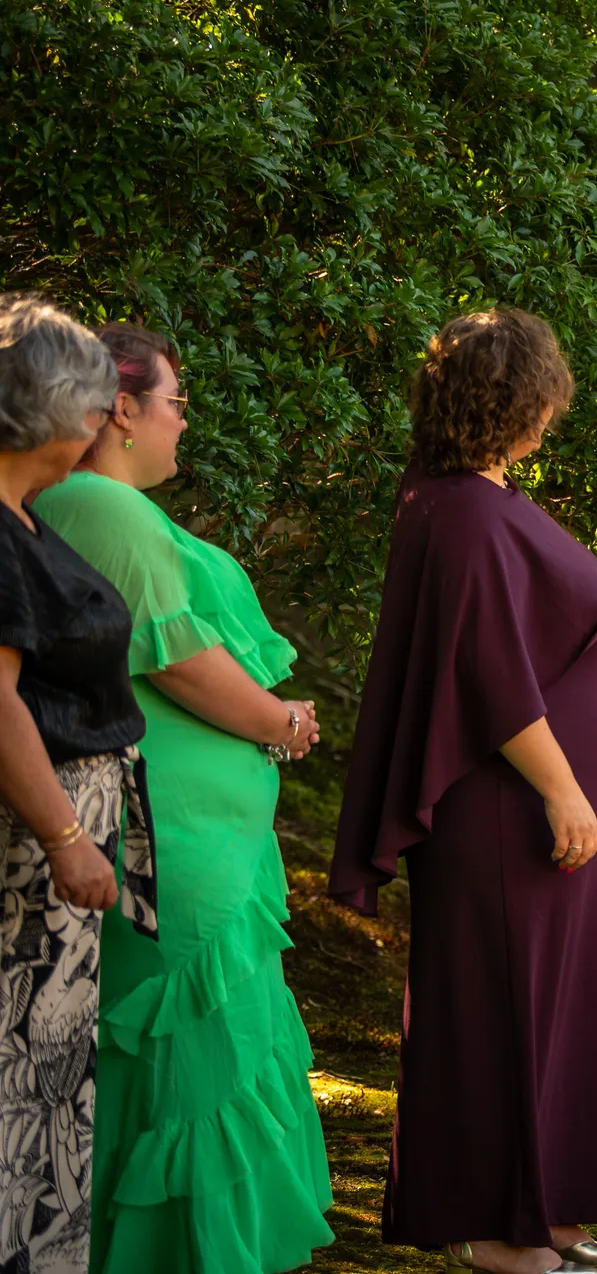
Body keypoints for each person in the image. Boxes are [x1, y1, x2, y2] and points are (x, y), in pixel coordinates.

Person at [330, 310, 597, 1274]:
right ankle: (506, 1239)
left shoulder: (465, 498)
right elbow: (491, 675)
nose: (553, 413)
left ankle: (556, 1214)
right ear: (521, 399)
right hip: (508, 809)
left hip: (531, 810)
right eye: (546, 396)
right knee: (502, 1012)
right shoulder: (459, 510)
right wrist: (563, 789)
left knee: (557, 1009)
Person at [33, 322, 335, 1274]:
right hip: (176, 845)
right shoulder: (97, 502)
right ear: (121, 410)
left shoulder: (107, 507)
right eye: (175, 403)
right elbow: (182, 661)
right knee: (190, 1061)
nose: (183, 423)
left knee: (210, 1054)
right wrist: (282, 723)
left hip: (205, 836)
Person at [0, 294, 153, 1274]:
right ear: (54, 412)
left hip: (56, 859)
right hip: (29, 861)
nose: (102, 425)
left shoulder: (19, 516)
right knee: (19, 1085)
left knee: (50, 1085)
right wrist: (64, 833)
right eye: (94, 405)